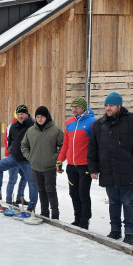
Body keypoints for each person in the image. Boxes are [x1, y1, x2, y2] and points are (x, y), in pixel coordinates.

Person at [87, 92, 133, 245]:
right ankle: (115, 230)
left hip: (129, 170)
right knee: (114, 202)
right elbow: (93, 148)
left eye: (111, 105)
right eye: (106, 105)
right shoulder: (99, 124)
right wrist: (93, 168)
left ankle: (129, 232)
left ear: (119, 106)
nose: (108, 108)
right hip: (108, 170)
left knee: (128, 202)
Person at [0, 105, 37, 208]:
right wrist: (11, 150)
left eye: (22, 114)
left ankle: (31, 206)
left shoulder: (33, 126)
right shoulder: (14, 126)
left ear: (27, 114)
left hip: (27, 160)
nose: (20, 116)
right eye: (18, 114)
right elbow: (10, 140)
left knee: (32, 183)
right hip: (14, 157)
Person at [57, 96, 96, 229]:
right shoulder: (69, 123)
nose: (73, 109)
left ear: (83, 108)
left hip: (84, 165)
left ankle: (85, 220)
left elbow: (96, 145)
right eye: (72, 107)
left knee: (83, 194)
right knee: (73, 193)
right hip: (71, 166)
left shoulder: (92, 122)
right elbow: (66, 144)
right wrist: (60, 160)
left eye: (76, 107)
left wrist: (95, 165)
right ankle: (77, 218)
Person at [21, 106, 64, 219]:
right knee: (41, 190)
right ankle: (44, 212)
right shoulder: (31, 131)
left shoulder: (56, 130)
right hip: (35, 167)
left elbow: (63, 145)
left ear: (47, 117)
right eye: (38, 116)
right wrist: (30, 157)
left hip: (49, 167)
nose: (40, 119)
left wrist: (55, 157)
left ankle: (55, 214)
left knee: (50, 190)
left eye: (42, 116)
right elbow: (24, 145)